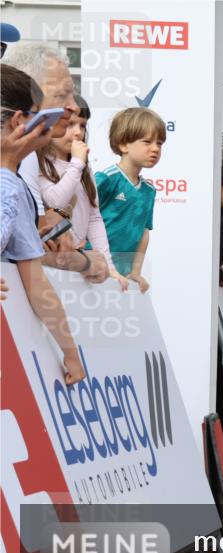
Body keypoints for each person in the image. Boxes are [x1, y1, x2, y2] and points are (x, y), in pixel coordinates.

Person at [1, 64, 84, 383]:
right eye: (42, 114)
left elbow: (35, 281)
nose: (69, 109)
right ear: (20, 122)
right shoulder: (12, 180)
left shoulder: (16, 184)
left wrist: (70, 351)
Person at [34, 93, 128, 291]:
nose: (78, 132)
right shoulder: (40, 163)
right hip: (51, 262)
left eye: (83, 126)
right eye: (70, 124)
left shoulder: (84, 168)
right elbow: (56, 200)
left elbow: (94, 217)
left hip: (77, 260)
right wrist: (77, 163)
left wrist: (108, 266)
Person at [95, 107, 166, 292]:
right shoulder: (106, 179)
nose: (155, 149)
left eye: (159, 143)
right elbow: (83, 219)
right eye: (147, 142)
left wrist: (135, 271)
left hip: (122, 276)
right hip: (93, 270)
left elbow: (144, 232)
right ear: (123, 144)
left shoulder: (149, 190)